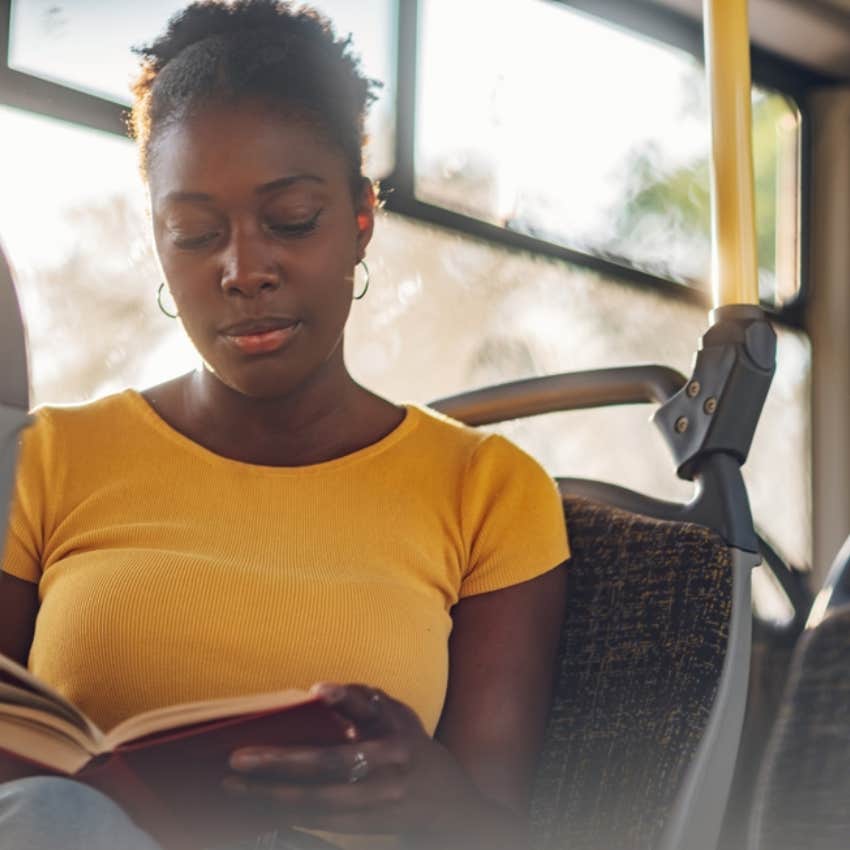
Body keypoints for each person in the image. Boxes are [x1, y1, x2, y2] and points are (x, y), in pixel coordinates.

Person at [0, 2, 569, 848]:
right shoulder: (42, 460)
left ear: (361, 222)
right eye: (195, 235)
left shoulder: (487, 489)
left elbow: (501, 832)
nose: (243, 271)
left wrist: (425, 791)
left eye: (292, 221)